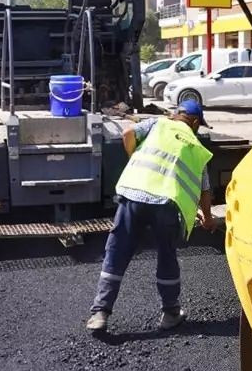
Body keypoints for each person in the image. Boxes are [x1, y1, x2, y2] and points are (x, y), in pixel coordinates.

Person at [86, 100, 216, 333]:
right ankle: (170, 313)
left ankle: (100, 312)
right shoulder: (196, 146)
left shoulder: (158, 123)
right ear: (195, 122)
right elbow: (204, 189)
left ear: (178, 114)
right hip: (165, 203)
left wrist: (135, 160)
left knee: (116, 252)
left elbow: (127, 133)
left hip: (133, 193)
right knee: (166, 256)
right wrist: (208, 219)